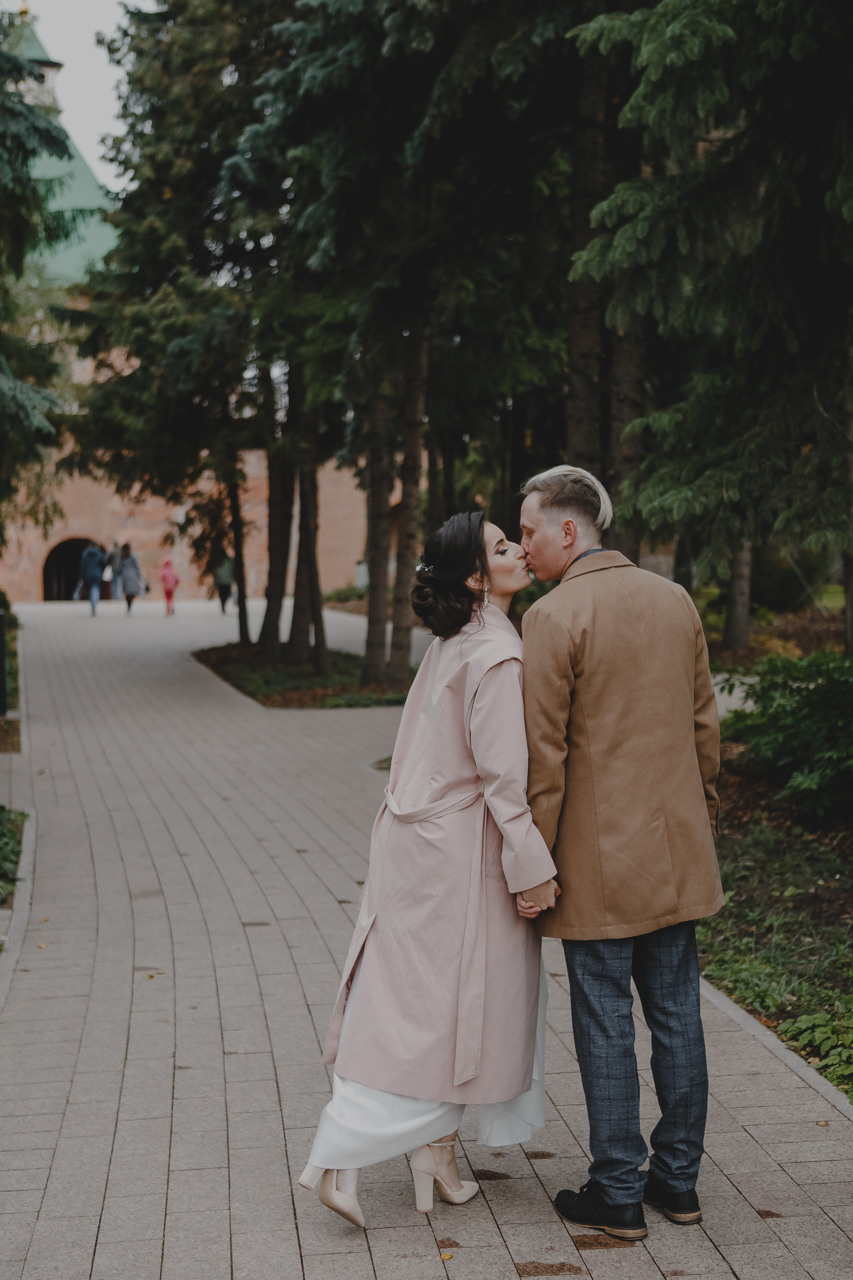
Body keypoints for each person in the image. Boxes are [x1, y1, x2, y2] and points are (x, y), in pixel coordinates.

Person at [298, 511, 560, 1229]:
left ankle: (435, 1156)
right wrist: (531, 869)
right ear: (475, 578)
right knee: (449, 1009)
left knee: (423, 1002)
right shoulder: (495, 653)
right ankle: (341, 1153)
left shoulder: (455, 643)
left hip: (415, 841)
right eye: (502, 547)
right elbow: (504, 780)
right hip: (461, 853)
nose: (519, 552)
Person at [518, 465, 724, 1241]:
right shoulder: (673, 599)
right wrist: (699, 816)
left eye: (530, 531)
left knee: (604, 1021)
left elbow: (544, 758)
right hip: (674, 853)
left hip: (595, 863)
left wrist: (533, 862)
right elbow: (704, 726)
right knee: (676, 1016)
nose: (525, 547)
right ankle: (677, 1182)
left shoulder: (552, 615)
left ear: (568, 530)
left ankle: (615, 1191)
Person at [79, 542, 105, 616]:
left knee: (90, 590)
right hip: (97, 574)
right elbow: (103, 563)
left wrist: (82, 577)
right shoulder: (99, 553)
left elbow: (82, 566)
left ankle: (92, 604)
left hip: (88, 574)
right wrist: (101, 571)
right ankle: (94, 604)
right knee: (95, 589)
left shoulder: (85, 554)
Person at [119, 542, 144, 613]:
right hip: (132, 574)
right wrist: (139, 575)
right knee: (132, 591)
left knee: (127, 592)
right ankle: (130, 604)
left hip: (125, 575)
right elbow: (137, 566)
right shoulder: (133, 556)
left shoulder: (122, 556)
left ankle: (128, 605)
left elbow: (119, 566)